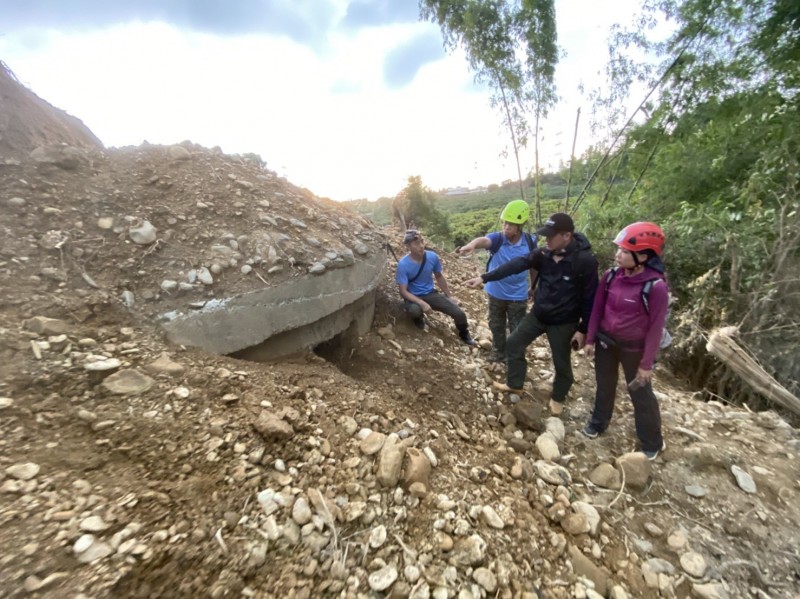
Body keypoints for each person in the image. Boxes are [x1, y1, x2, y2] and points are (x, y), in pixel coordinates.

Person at [466, 213, 598, 415]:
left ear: (566, 235)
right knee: (513, 344)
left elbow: (591, 297)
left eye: (551, 236)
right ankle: (515, 383)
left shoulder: (585, 261)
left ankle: (558, 396)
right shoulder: (544, 253)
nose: (547, 239)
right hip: (538, 314)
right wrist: (485, 277)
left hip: (563, 321)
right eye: (546, 235)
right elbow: (516, 265)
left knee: (561, 362)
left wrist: (583, 329)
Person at [581, 222, 669, 460]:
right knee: (604, 384)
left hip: (635, 349)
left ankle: (652, 441)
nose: (617, 255)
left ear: (642, 256)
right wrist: (590, 339)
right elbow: (597, 308)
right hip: (606, 343)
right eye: (618, 250)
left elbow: (655, 328)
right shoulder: (610, 277)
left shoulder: (655, 287)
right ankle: (598, 423)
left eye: (623, 251)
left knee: (641, 394)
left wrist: (646, 364)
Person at [457, 200, 537, 363]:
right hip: (496, 292)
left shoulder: (530, 242)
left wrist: (533, 286)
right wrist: (473, 244)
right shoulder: (498, 239)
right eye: (505, 223)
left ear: (520, 226)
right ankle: (499, 351)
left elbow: (534, 266)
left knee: (517, 328)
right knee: (496, 324)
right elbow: (484, 240)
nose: (506, 227)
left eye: (511, 224)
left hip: (518, 294)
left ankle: (514, 356)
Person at [396, 229, 475, 345]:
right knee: (414, 310)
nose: (421, 246)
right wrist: (422, 303)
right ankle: (418, 317)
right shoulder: (403, 265)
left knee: (459, 313)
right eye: (416, 244)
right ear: (408, 246)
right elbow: (403, 291)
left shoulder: (432, 257)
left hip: (430, 294)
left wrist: (449, 296)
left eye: (422, 241)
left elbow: (439, 276)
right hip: (412, 296)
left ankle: (464, 333)